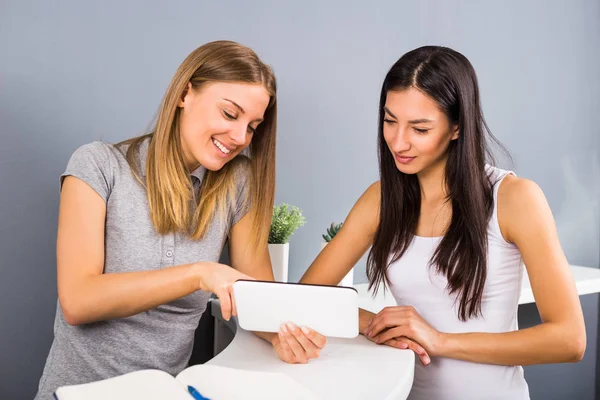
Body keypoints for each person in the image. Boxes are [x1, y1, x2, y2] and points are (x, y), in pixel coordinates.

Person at [292, 46, 586, 399]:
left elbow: (569, 339)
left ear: (457, 127)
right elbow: (305, 297)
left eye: (419, 128)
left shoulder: (515, 199)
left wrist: (439, 341)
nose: (398, 142)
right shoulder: (381, 200)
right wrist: (375, 324)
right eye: (389, 121)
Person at [34, 40, 318, 399]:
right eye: (230, 114)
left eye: (252, 127)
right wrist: (198, 274)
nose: (239, 138)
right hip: (75, 393)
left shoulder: (237, 181)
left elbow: (255, 298)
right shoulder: (97, 165)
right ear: (186, 94)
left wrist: (286, 335)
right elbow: (78, 301)